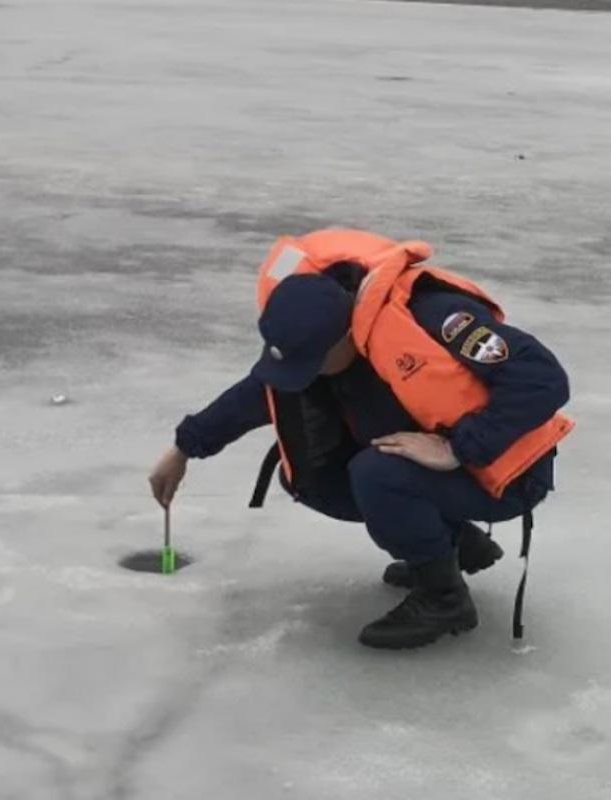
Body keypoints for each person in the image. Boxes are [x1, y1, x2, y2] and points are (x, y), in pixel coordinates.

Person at [148, 229, 574, 649]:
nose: (307, 375)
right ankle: (452, 545)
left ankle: (444, 598)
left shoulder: (436, 318)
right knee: (311, 475)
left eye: (313, 364)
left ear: (345, 335)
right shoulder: (321, 332)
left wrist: (459, 448)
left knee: (375, 472)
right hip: (440, 465)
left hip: (507, 475)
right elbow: (258, 394)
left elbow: (542, 379)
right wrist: (185, 448)